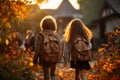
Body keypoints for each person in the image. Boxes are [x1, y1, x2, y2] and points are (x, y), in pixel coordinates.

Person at [34, 15, 61, 80]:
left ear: (43, 24)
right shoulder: (56, 35)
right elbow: (59, 47)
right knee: (53, 74)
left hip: (44, 58)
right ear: (53, 25)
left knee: (46, 76)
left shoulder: (40, 35)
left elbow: (37, 48)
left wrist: (35, 58)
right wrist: (59, 58)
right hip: (54, 58)